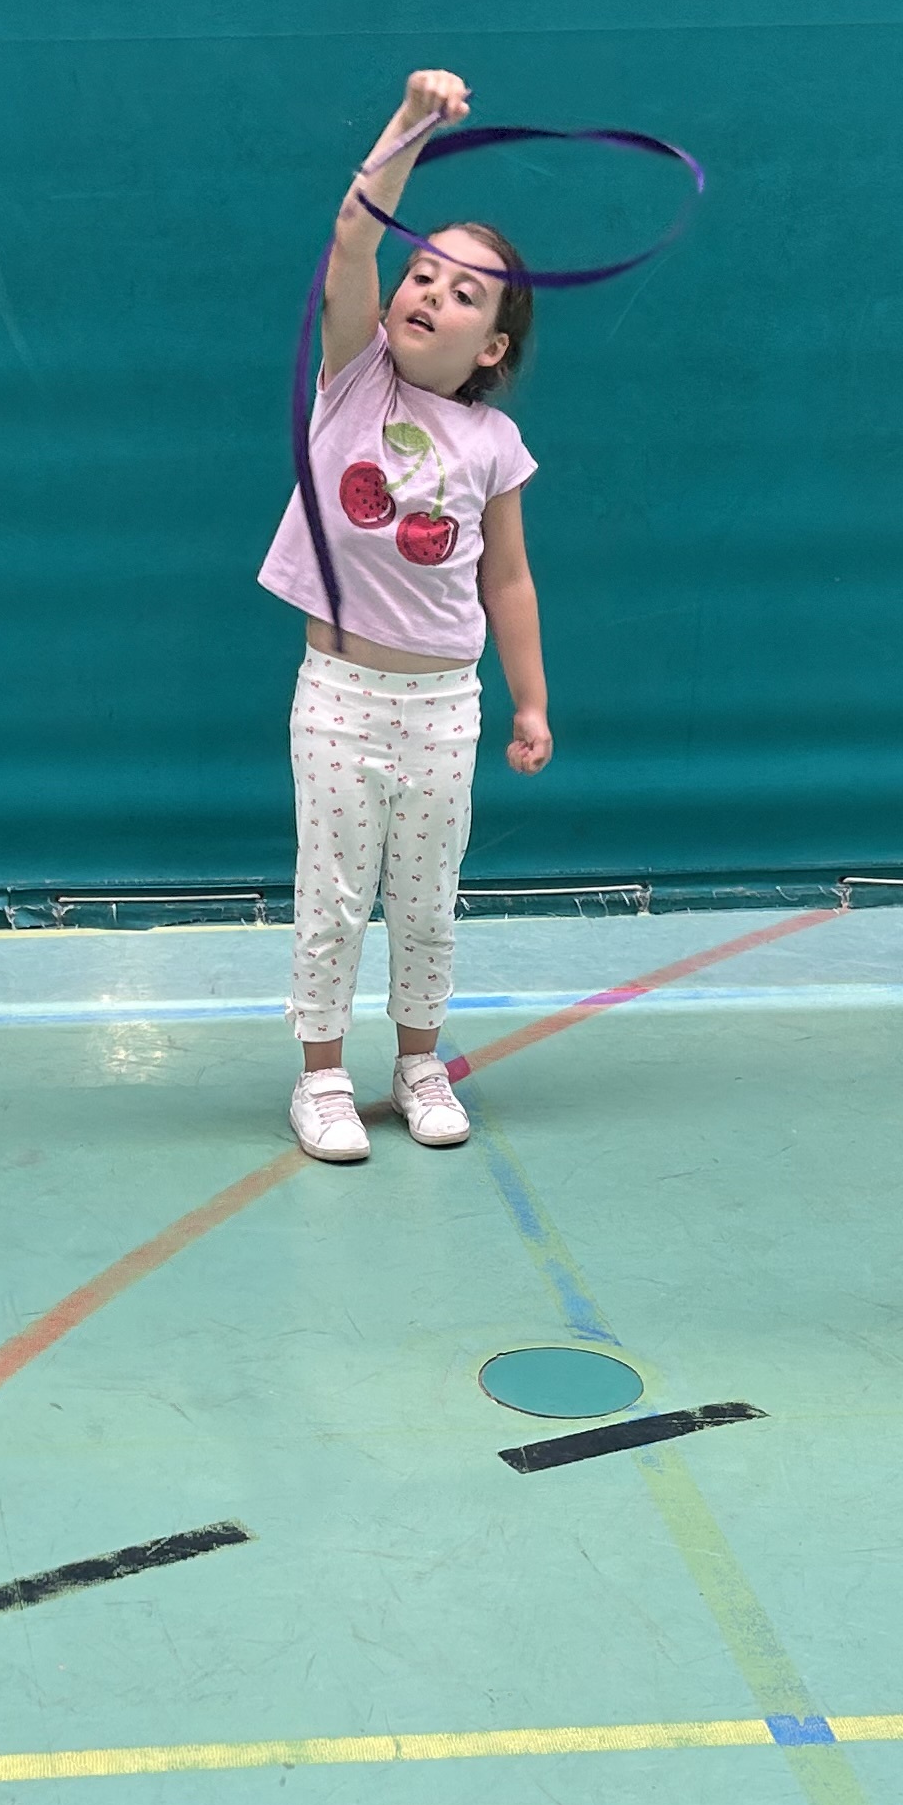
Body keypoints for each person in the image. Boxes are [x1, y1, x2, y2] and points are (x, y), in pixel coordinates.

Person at [257, 70, 557, 1164]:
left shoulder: (494, 446)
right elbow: (353, 235)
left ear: (491, 349)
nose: (429, 291)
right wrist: (412, 123)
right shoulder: (353, 380)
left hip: (443, 710)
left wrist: (530, 703)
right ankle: (322, 1077)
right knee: (332, 899)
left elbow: (508, 581)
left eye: (464, 293)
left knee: (426, 903)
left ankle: (420, 1063)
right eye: (422, 272)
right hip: (339, 700)